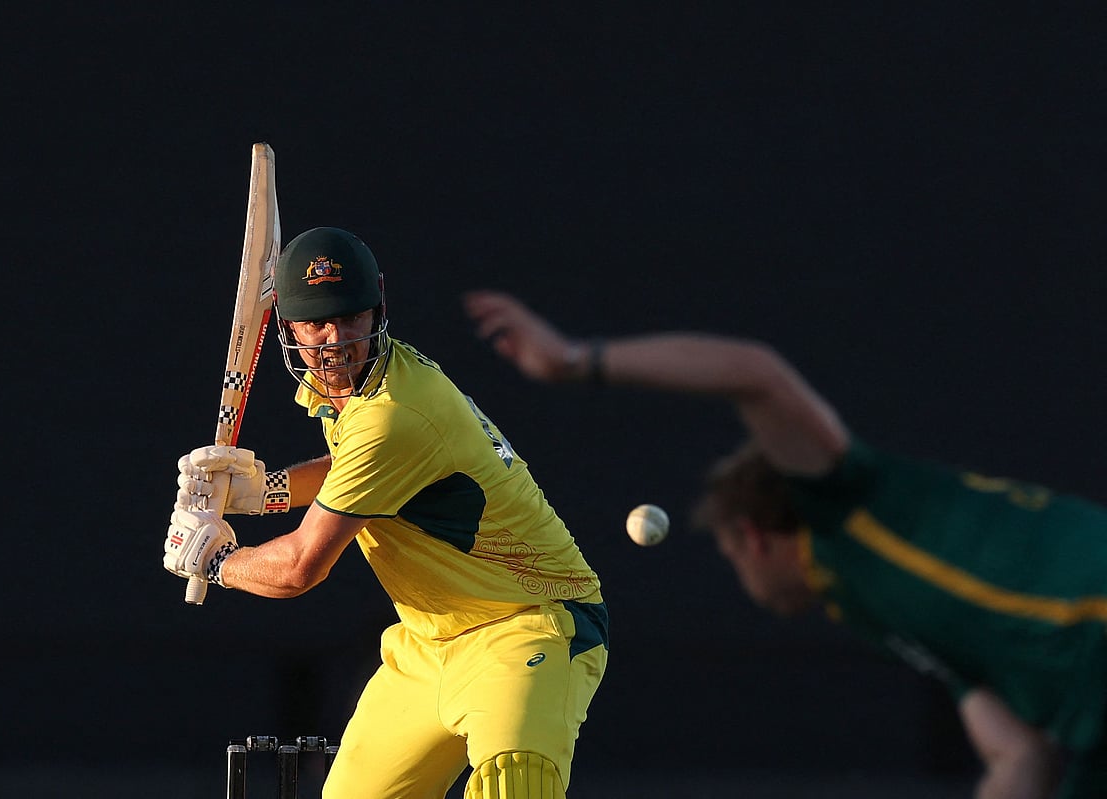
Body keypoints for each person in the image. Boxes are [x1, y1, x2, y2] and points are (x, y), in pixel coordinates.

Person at [463, 289, 1107, 799]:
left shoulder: (841, 504)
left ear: (753, 536)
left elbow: (756, 374)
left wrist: (575, 359)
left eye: (730, 555)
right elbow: (1019, 756)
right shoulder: (882, 607)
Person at [163, 230, 609, 799]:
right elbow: (357, 469)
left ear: (377, 309)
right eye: (316, 324)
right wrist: (264, 491)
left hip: (528, 626)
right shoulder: (361, 393)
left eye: (351, 318)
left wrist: (216, 559)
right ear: (289, 330)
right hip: (428, 643)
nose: (336, 341)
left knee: (514, 786)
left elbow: (301, 567)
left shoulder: (396, 414)